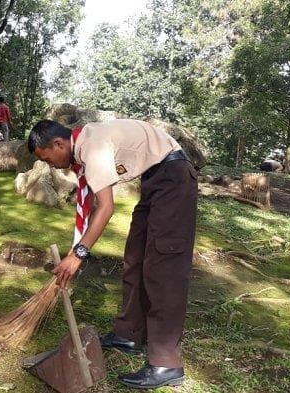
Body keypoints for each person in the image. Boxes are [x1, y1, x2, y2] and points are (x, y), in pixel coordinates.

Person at [27, 119, 198, 389]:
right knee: (135, 259)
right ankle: (129, 334)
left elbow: (106, 208)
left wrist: (79, 253)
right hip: (154, 179)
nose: (52, 165)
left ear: (59, 144)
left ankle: (167, 364)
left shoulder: (91, 147)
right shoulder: (84, 145)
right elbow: (95, 201)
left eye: (49, 159)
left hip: (173, 177)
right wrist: (77, 248)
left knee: (163, 268)